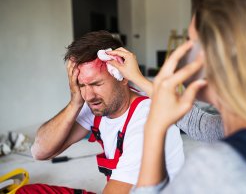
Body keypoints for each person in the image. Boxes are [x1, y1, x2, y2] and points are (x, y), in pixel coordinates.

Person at [112, 0, 246, 193]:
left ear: (215, 54)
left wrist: (154, 128)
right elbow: (201, 126)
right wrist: (138, 79)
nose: (183, 50)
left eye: (189, 41)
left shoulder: (214, 169)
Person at [18, 31, 184, 194]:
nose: (89, 96)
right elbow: (40, 151)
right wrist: (74, 103)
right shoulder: (98, 106)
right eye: (82, 85)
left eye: (96, 84)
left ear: (123, 76)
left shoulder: (146, 120)